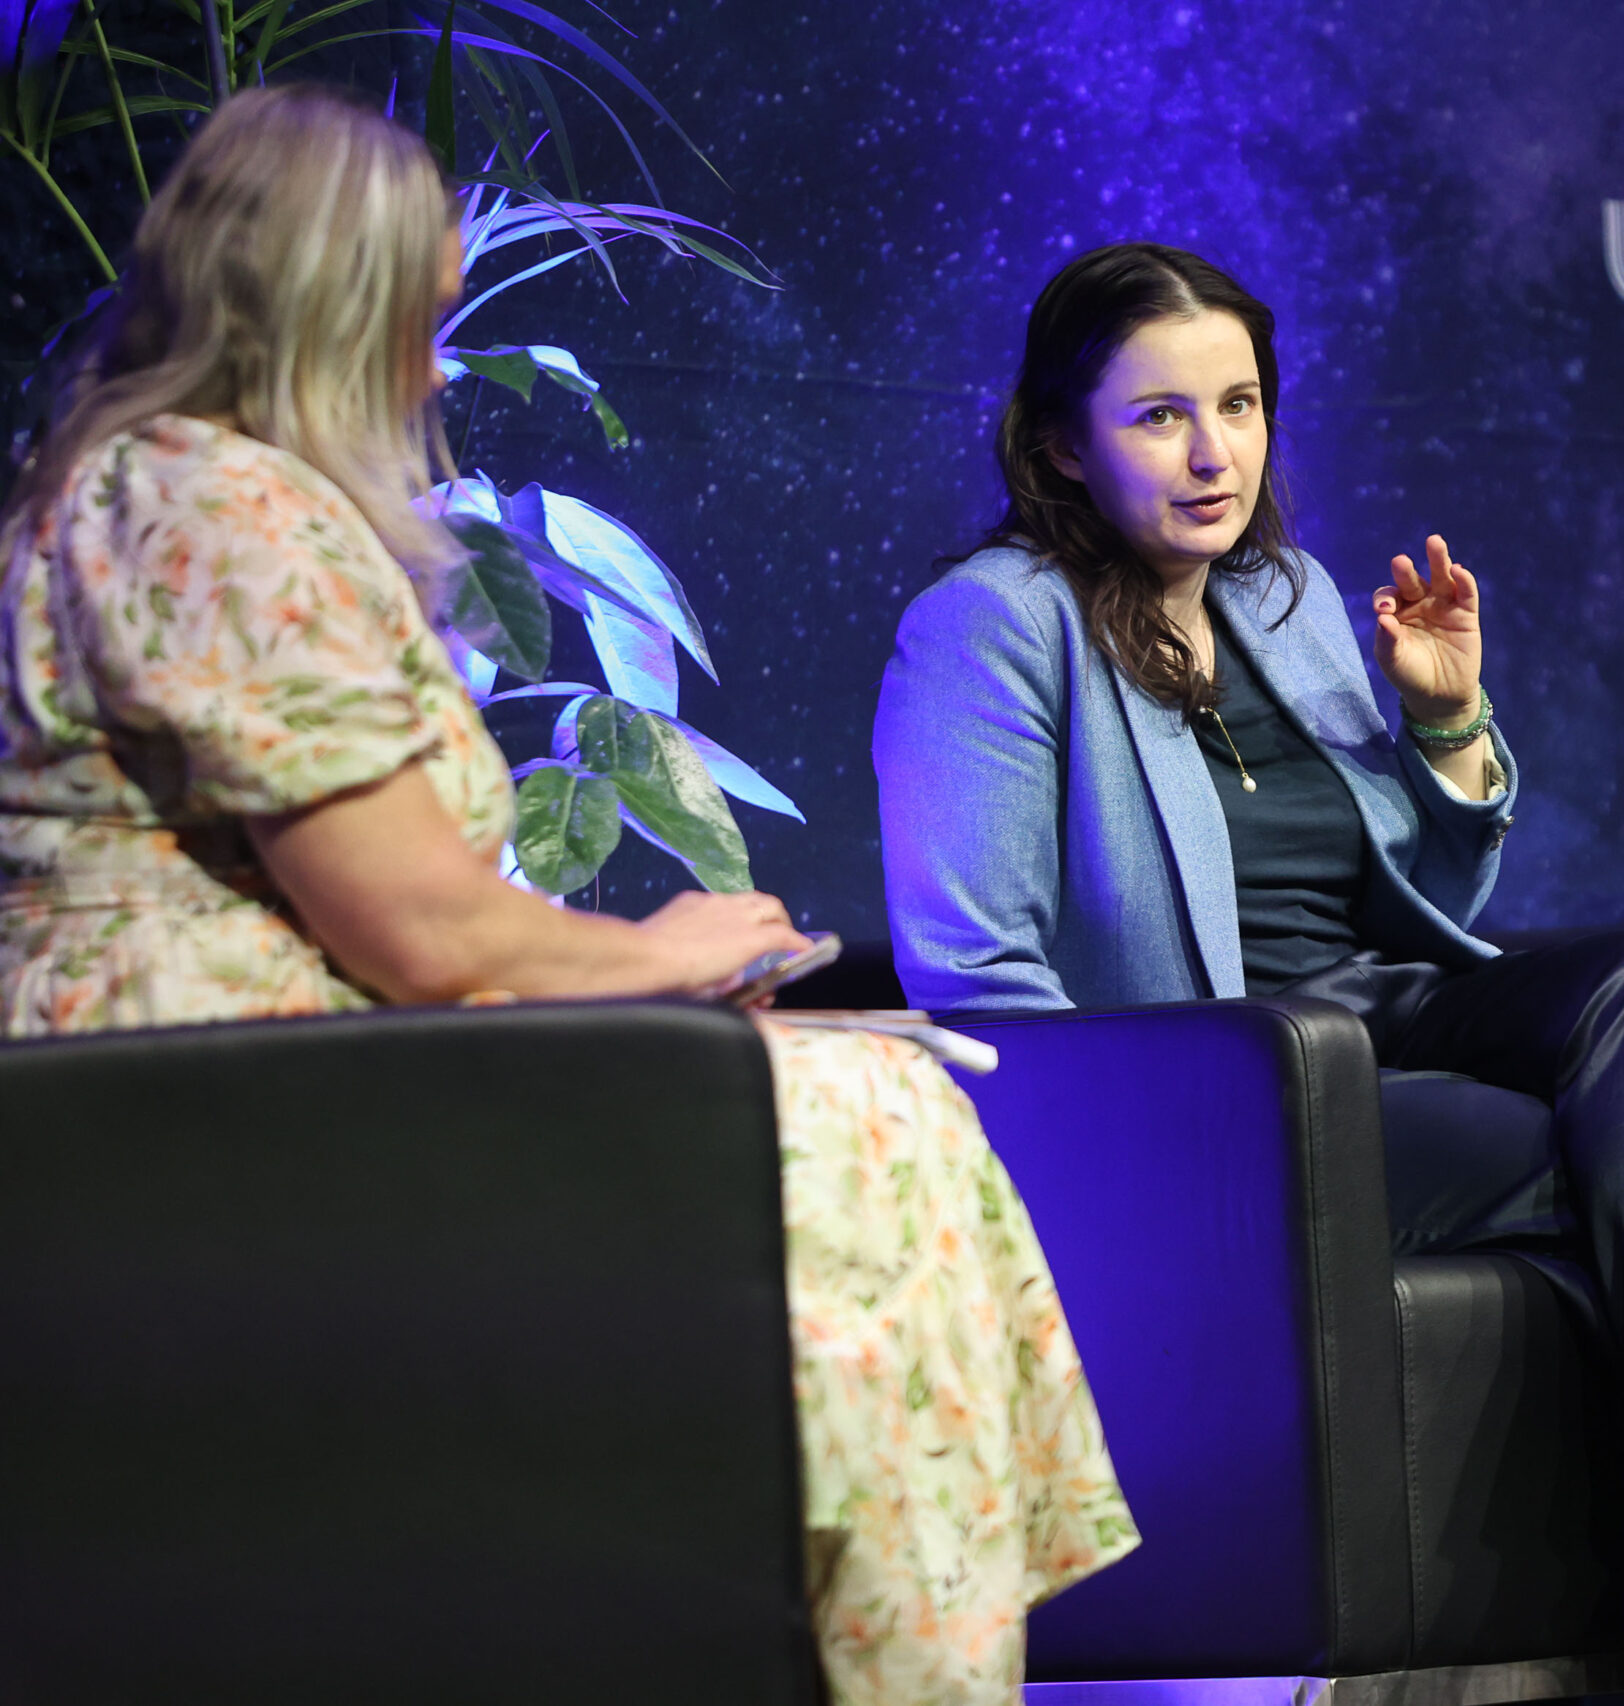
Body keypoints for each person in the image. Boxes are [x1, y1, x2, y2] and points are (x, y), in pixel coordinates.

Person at [0, 86, 1134, 1706]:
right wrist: (652, 950)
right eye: (418, 323)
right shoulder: (217, 503)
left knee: (863, 1091)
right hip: (223, 1113)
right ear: (329, 311)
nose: (431, 373)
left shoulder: (142, 485)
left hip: (252, 1077)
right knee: (872, 1126)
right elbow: (420, 926)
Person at [875, 240, 1624, 1706]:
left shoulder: (1285, 599)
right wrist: (1149, 1129)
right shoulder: (991, 625)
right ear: (1063, 444)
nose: (1215, 454)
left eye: (1240, 406)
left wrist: (1446, 725)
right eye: (1160, 416)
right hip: (1219, 1096)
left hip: (1372, 1010)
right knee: (1612, 1174)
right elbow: (978, 974)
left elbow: (1427, 901)